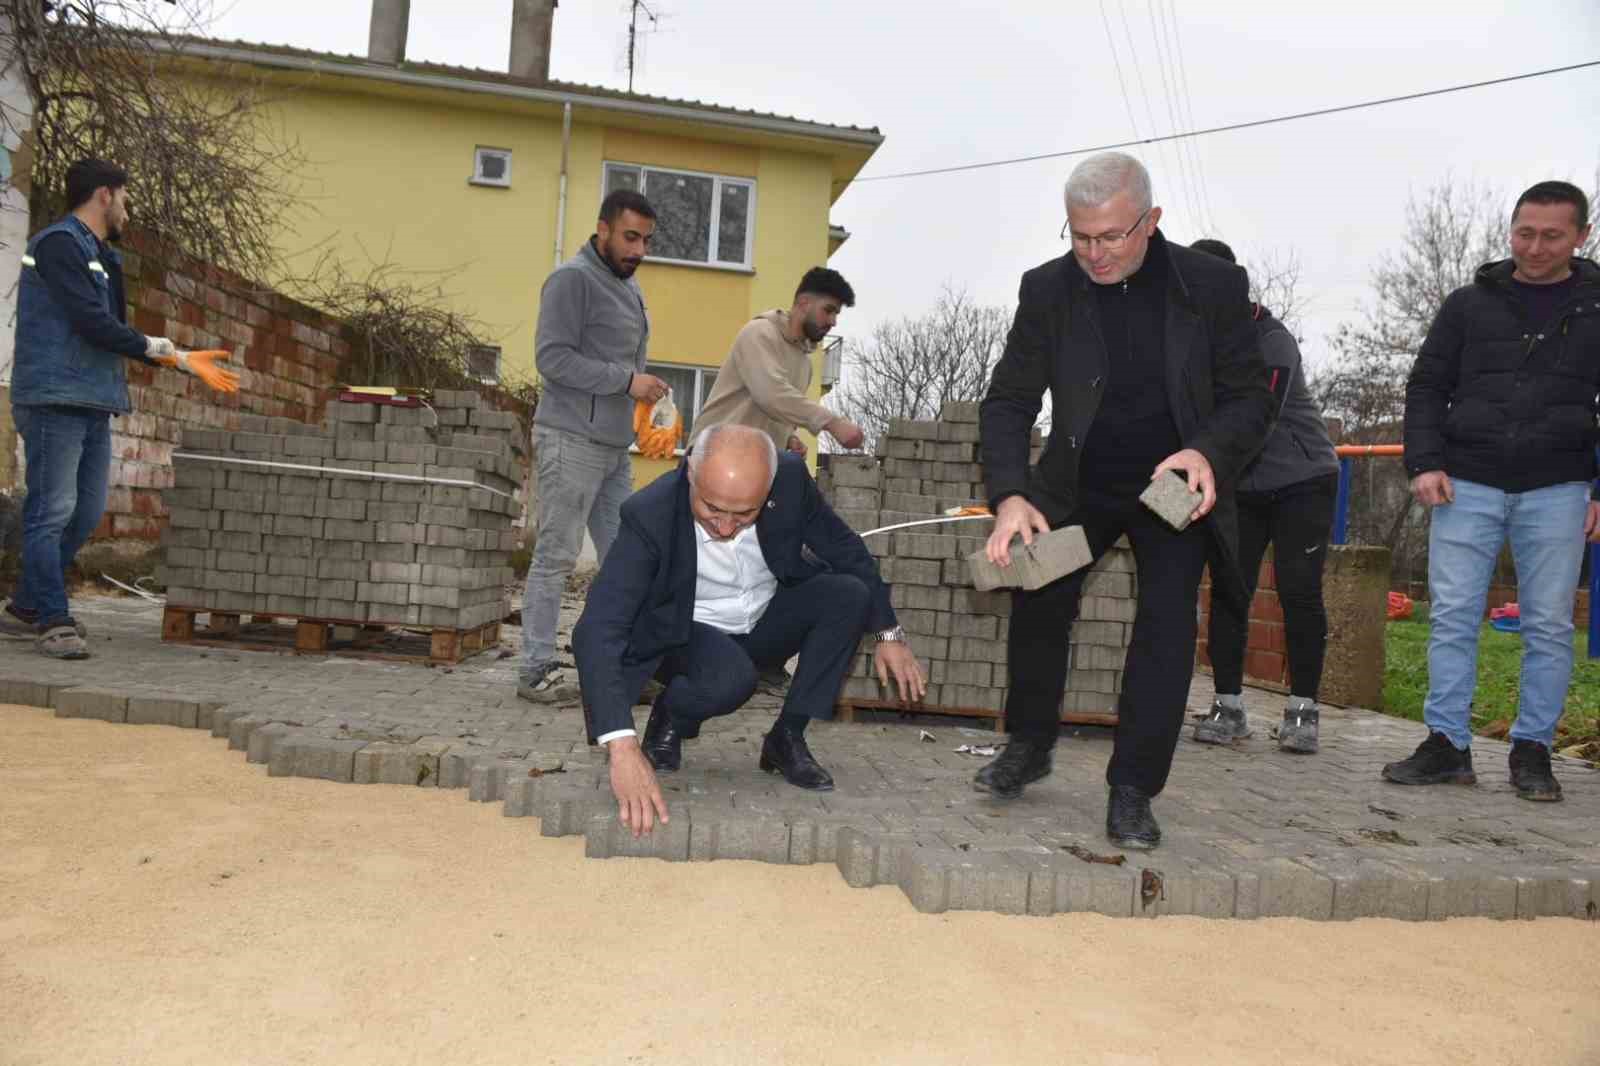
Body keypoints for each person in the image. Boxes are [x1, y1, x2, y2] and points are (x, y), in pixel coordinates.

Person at [973, 152, 1273, 850]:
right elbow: (1010, 399)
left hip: (1171, 485)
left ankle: (1133, 787)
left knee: (1165, 625)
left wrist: (1206, 452)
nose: (1094, 253)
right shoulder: (1047, 290)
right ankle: (1029, 743)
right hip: (1079, 482)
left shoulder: (1211, 286)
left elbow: (1250, 398)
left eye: (1110, 237)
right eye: (1079, 237)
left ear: (1151, 221)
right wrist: (1012, 495)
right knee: (1037, 595)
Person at [571, 424, 925, 838]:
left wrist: (888, 633)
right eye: (712, 510)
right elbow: (597, 628)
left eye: (744, 515)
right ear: (690, 475)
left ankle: (786, 738)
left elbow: (845, 549)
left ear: (769, 489)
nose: (725, 528)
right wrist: (621, 745)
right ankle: (674, 708)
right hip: (686, 633)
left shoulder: (791, 480)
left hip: (762, 617)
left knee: (848, 595)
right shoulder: (648, 514)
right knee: (731, 680)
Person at [1385, 180, 1600, 803]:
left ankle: (1533, 751)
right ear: (1511, 230)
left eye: (1551, 235)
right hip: (1465, 481)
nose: (1535, 246)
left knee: (1550, 626)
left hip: (1559, 486)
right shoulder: (1468, 304)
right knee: (1452, 616)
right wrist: (1424, 462)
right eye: (1524, 233)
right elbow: (1426, 384)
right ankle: (1446, 745)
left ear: (1580, 236)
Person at [2, 159, 237, 660]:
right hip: (53, 398)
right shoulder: (59, 244)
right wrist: (169, 351)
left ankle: (24, 607)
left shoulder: (100, 254)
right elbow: (90, 321)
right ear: (104, 195)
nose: (129, 208)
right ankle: (50, 618)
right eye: (125, 198)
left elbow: (111, 326)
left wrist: (175, 358)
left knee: (84, 513)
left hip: (91, 398)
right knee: (51, 512)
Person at [1187, 238, 1341, 754]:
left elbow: (1251, 425)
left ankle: (1304, 711)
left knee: (1297, 591)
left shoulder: (1271, 342)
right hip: (1241, 486)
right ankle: (1228, 706)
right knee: (1230, 589)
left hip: (1302, 480)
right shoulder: (1193, 342)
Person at [519, 188, 671, 703]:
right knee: (556, 556)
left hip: (612, 447)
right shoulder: (571, 281)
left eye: (646, 240)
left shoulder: (628, 288)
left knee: (629, 558)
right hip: (569, 437)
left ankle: (623, 665)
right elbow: (552, 358)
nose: (639, 249)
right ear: (602, 229)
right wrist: (628, 382)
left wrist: (645, 401)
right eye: (631, 237)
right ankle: (535, 669)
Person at [695, 266, 867, 456]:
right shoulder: (760, 333)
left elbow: (780, 412)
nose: (833, 321)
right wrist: (833, 422)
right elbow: (771, 395)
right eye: (828, 310)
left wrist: (788, 439)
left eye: (836, 314)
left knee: (797, 477)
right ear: (804, 303)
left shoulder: (804, 364)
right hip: (711, 456)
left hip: (751, 464)